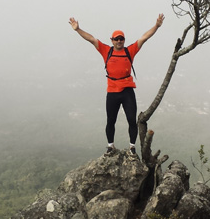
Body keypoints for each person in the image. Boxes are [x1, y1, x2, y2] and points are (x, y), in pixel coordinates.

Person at [69, 14, 165, 157]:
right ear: (112, 40)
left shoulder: (129, 51)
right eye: (116, 39)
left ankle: (132, 147)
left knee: (132, 120)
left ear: (124, 40)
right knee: (110, 121)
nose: (119, 41)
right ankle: (110, 146)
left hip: (127, 91)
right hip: (112, 91)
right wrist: (78, 29)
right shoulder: (106, 51)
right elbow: (91, 39)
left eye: (121, 38)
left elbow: (144, 37)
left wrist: (156, 26)